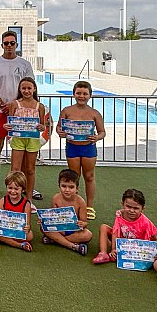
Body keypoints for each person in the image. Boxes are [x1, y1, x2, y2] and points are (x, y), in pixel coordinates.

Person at [0, 31, 34, 198]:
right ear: (1, 45)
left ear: (17, 45)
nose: (9, 46)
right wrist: (3, 105)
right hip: (0, 112)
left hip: (21, 114)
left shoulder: (25, 64)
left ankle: (26, 186)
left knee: (25, 151)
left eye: (12, 43)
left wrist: (16, 106)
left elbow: (30, 87)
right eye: (6, 43)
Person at [56, 80, 105, 220]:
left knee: (89, 176)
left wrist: (97, 137)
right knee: (74, 178)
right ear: (73, 94)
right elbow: (59, 127)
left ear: (90, 95)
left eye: (85, 93)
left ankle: (89, 205)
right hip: (72, 147)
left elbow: (102, 132)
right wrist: (60, 132)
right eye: (79, 93)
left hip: (88, 148)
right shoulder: (66, 111)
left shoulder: (94, 113)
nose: (81, 96)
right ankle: (74, 204)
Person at [2, 77, 46, 212]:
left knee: (30, 169)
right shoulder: (15, 104)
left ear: (34, 89)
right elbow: (10, 122)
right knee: (15, 169)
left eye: (29, 88)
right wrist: (6, 126)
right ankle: (11, 198)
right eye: (24, 88)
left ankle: (29, 199)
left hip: (33, 140)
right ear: (20, 90)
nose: (26, 91)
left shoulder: (40, 106)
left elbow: (43, 126)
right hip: (18, 139)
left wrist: (41, 127)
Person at [93, 188, 157, 264]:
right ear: (122, 204)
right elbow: (115, 231)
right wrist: (113, 249)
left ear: (142, 209)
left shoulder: (145, 222)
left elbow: (153, 237)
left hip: (136, 247)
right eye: (128, 207)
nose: (131, 210)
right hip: (122, 243)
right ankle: (103, 253)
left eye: (136, 208)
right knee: (103, 227)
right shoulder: (120, 214)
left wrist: (152, 252)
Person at [39, 169, 92, 255]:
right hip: (59, 229)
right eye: (64, 186)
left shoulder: (80, 202)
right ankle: (73, 246)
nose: (67, 190)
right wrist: (44, 220)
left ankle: (56, 240)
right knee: (43, 227)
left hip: (73, 230)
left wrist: (82, 223)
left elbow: (85, 222)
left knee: (88, 235)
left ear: (77, 188)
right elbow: (52, 217)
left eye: (71, 187)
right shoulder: (56, 198)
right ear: (59, 186)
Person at [0, 171, 33, 251]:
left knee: (30, 235)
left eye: (16, 189)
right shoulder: (3, 200)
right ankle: (19, 245)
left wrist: (27, 228)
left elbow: (27, 224)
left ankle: (2, 240)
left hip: (17, 231)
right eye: (10, 188)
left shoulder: (26, 204)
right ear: (6, 187)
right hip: (5, 229)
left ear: (22, 189)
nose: (13, 191)